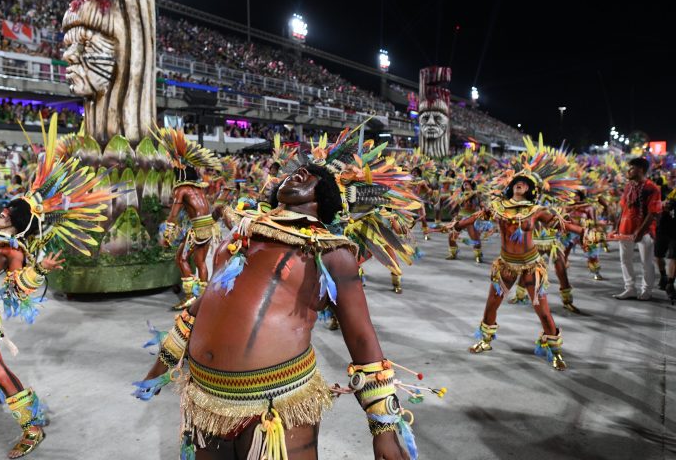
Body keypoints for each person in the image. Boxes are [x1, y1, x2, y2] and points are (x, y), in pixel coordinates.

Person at [134, 126, 439, 460]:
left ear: (325, 200)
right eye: (295, 171)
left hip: (277, 408)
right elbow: (202, 306)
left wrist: (384, 427)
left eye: (311, 175)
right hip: (206, 402)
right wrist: (162, 364)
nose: (299, 173)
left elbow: (363, 340)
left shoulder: (331, 252)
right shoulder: (240, 236)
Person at [0, 115, 117, 458]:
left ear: (19, 222)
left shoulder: (12, 248)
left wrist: (39, 271)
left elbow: (19, 289)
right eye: (5, 209)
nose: (3, 211)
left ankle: (32, 426)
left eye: (10, 211)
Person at [451, 137, 587, 370]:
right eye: (517, 182)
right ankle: (485, 341)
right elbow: (475, 217)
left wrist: (583, 231)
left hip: (531, 266)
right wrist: (457, 226)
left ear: (531, 189)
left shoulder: (536, 211)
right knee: (491, 305)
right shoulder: (498, 208)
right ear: (510, 186)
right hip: (505, 265)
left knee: (543, 312)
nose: (519, 183)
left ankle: (555, 351)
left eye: (524, 183)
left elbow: (559, 224)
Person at [155, 128, 222, 311]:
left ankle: (191, 296)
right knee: (200, 262)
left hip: (199, 230)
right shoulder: (199, 189)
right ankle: (204, 297)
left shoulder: (181, 190)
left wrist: (167, 236)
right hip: (209, 228)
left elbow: (173, 216)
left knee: (181, 259)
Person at [613, 157, 662, 301]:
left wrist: (640, 232)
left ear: (640, 169)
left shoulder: (652, 188)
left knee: (646, 261)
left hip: (645, 231)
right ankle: (630, 289)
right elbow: (623, 207)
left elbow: (653, 212)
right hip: (625, 229)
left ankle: (646, 290)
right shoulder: (629, 186)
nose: (628, 171)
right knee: (625, 259)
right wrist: (617, 226)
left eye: (631, 168)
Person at [655, 188, 676, 303]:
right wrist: (664, 205)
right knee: (658, 255)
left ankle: (670, 283)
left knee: (674, 256)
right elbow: (658, 205)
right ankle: (663, 276)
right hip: (663, 227)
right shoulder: (667, 190)